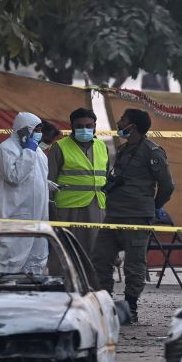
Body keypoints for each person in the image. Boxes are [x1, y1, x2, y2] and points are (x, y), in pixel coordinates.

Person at [90, 108, 174, 323]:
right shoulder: (124, 149)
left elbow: (167, 185)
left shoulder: (152, 152)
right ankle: (105, 304)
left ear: (133, 126)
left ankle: (130, 307)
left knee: (134, 265)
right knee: (100, 259)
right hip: (114, 215)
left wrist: (153, 206)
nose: (119, 122)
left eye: (123, 119)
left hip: (137, 217)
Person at [0, 112, 49, 274]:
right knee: (11, 260)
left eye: (41, 129)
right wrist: (28, 150)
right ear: (23, 129)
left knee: (36, 260)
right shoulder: (4, 150)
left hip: (39, 217)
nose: (39, 133)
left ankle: (31, 296)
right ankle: (6, 296)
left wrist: (47, 184)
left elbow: (33, 177)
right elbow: (14, 176)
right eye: (36, 129)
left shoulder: (38, 152)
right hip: (16, 216)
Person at [48, 108, 108, 257]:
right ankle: (64, 279)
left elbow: (105, 177)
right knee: (67, 250)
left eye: (89, 126)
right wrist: (50, 211)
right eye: (79, 126)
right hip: (68, 207)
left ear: (95, 126)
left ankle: (93, 280)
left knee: (95, 249)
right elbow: (49, 181)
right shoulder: (59, 147)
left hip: (96, 205)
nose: (84, 129)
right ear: (72, 126)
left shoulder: (102, 146)